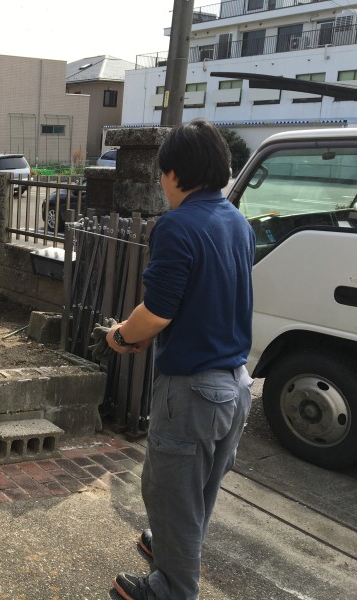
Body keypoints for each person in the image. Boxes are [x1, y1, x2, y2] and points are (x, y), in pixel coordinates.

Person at [106, 119, 255, 600]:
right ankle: (170, 547)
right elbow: (205, 300)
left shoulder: (177, 225)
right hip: (237, 383)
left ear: (172, 174)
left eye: (161, 176)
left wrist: (122, 335)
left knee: (170, 490)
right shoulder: (238, 222)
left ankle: (171, 588)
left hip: (193, 390)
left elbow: (157, 311)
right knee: (201, 489)